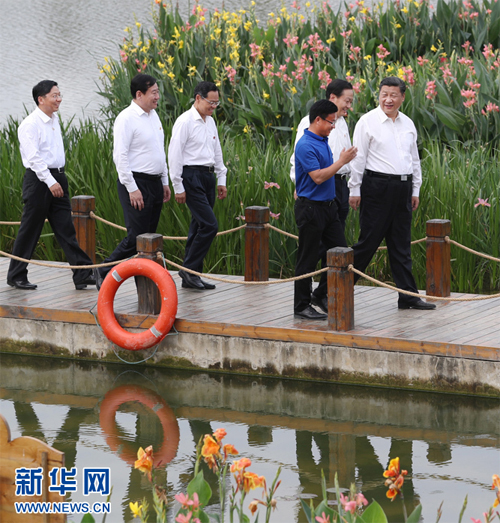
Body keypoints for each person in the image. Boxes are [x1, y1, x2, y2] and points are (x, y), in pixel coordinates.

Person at [348, 76, 436, 310]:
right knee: (368, 243)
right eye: (384, 94)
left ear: (402, 97)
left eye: (393, 95)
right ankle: (332, 290)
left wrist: (415, 189)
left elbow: (414, 159)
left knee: (401, 245)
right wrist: (354, 189)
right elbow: (358, 158)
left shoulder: (408, 123)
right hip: (376, 187)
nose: (388, 99)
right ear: (379, 95)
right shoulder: (367, 121)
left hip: (403, 188)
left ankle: (408, 296)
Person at [7, 80, 96, 291]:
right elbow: (34, 158)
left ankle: (82, 274)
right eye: (54, 96)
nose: (59, 99)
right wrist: (50, 181)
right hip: (40, 181)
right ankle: (16, 275)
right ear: (41, 99)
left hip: (58, 178)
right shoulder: (30, 124)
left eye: (59, 95)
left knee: (66, 228)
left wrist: (57, 180)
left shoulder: (54, 119)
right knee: (30, 229)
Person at [96, 74, 171, 289]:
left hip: (155, 182)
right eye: (153, 92)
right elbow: (120, 157)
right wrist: (132, 188)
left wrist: (164, 181)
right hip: (136, 183)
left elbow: (159, 151)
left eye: (158, 92)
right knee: (136, 238)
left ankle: (145, 283)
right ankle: (104, 270)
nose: (157, 97)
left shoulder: (153, 116)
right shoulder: (126, 118)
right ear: (139, 94)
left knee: (150, 238)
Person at [294, 99, 357, 320]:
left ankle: (321, 295)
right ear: (318, 120)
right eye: (330, 122)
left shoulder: (323, 140)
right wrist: (342, 161)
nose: (333, 126)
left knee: (342, 253)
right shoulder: (305, 144)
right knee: (308, 258)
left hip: (329, 208)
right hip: (311, 208)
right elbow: (318, 177)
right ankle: (301, 305)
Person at [168, 81, 227, 290]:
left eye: (217, 103)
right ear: (198, 98)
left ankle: (192, 275)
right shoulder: (185, 121)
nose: (213, 107)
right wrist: (178, 186)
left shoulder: (210, 122)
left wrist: (221, 179)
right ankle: (188, 269)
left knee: (198, 225)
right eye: (211, 102)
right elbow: (174, 154)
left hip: (208, 176)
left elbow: (217, 151)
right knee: (210, 226)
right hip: (191, 176)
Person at [290, 79, 355, 230]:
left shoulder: (342, 123)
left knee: (337, 232)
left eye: (351, 102)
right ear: (333, 98)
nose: (349, 106)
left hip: (341, 185)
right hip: (319, 184)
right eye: (347, 101)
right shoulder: (312, 122)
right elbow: (299, 155)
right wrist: (298, 186)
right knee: (317, 234)